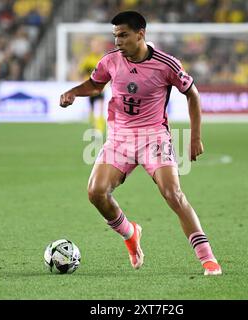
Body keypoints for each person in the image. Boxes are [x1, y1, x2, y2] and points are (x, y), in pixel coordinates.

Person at [60, 11, 221, 276]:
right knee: (95, 192)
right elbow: (95, 84)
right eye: (115, 36)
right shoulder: (110, 61)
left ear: (140, 34)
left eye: (123, 35)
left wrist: (195, 138)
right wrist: (72, 93)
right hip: (120, 137)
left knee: (172, 193)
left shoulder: (166, 64)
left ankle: (207, 258)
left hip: (153, 137)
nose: (117, 42)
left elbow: (192, 94)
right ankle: (130, 234)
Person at [79, 38, 106, 133]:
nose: (95, 48)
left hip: (100, 87)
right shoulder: (87, 58)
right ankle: (94, 125)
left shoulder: (103, 58)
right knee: (92, 108)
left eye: (97, 45)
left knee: (100, 106)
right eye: (93, 46)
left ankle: (100, 127)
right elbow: (82, 72)